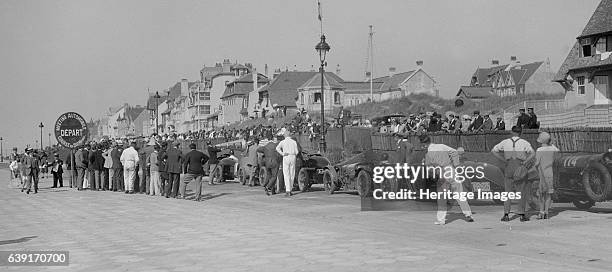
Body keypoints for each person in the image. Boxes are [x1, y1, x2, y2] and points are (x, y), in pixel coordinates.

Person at [420, 135, 474, 225]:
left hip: (442, 173)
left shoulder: (428, 154)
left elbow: (429, 169)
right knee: (459, 193)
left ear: (424, 144)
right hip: (451, 170)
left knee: (442, 197)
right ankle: (468, 214)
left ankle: (441, 219)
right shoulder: (441, 146)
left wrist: (433, 175)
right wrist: (456, 165)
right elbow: (454, 152)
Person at [491, 126, 535, 222]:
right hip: (520, 165)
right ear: (521, 133)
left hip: (508, 166)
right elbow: (532, 153)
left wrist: (503, 160)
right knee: (521, 191)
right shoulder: (524, 142)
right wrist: (525, 162)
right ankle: (522, 215)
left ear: (512, 132)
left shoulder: (505, 142)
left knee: (508, 191)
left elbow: (494, 151)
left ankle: (506, 214)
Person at [534, 132, 558, 220]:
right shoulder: (553, 149)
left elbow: (536, 163)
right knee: (548, 194)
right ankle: (546, 212)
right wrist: (551, 143)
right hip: (550, 173)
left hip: (541, 174)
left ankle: (541, 212)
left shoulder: (539, 150)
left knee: (541, 194)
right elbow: (556, 150)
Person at [276, 130, 299, 196]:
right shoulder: (294, 142)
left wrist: (282, 153)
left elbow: (277, 148)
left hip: (286, 156)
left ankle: (288, 190)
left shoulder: (282, 142)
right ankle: (290, 189)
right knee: (292, 173)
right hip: (293, 156)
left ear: (284, 135)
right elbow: (297, 151)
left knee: (286, 173)